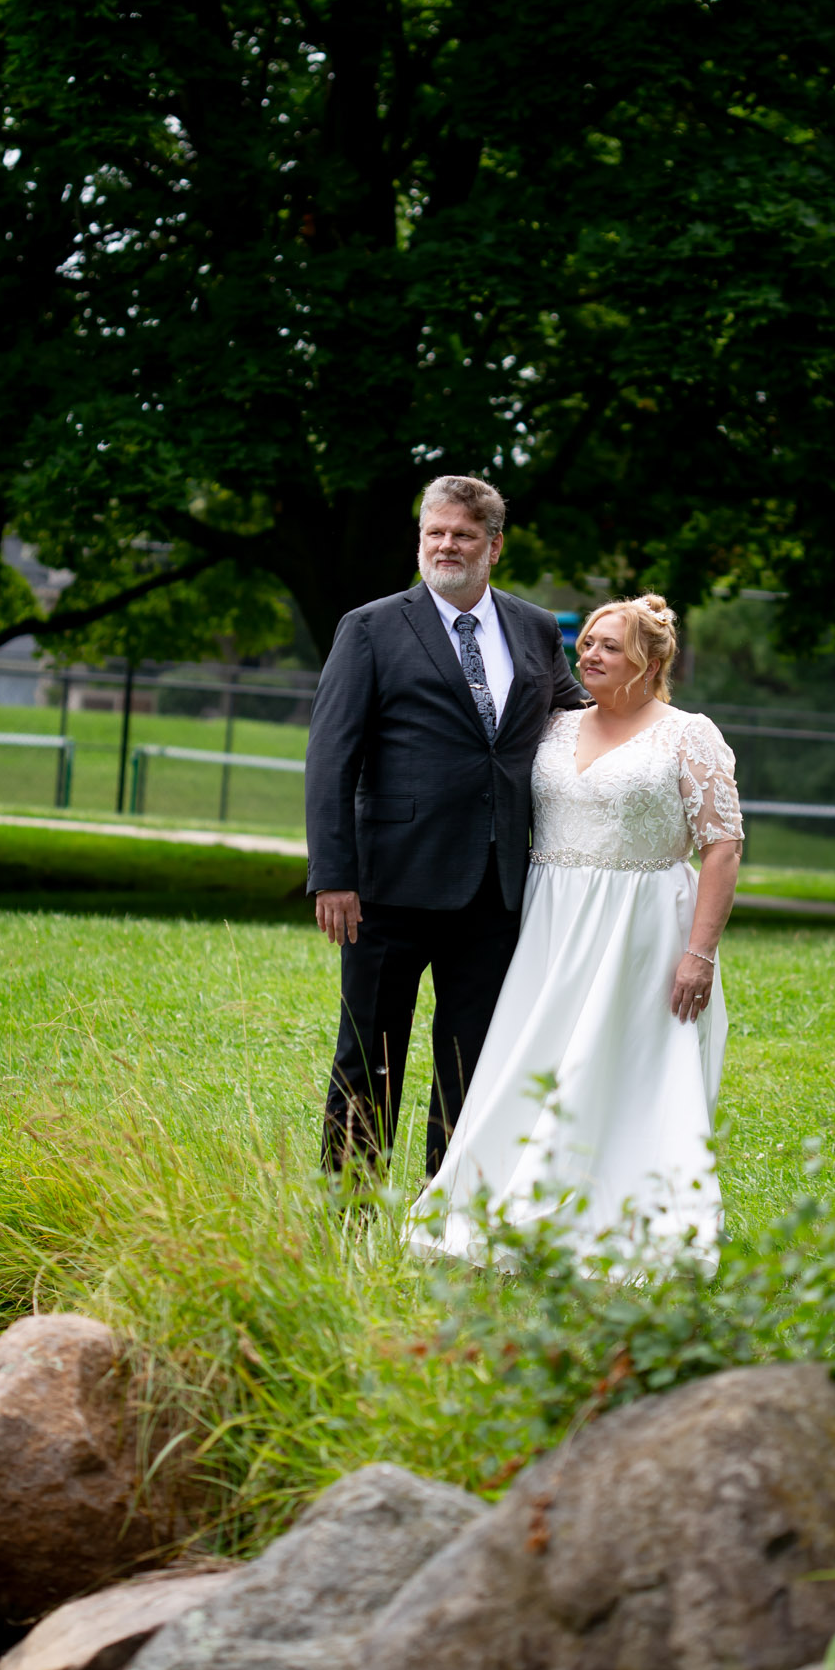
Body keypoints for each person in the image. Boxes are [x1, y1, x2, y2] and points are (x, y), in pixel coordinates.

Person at [411, 593, 743, 1258]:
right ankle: (508, 1200)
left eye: (609, 646)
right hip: (549, 923)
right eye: (586, 642)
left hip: (642, 928)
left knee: (627, 1064)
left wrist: (699, 954)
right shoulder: (554, 725)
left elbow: (723, 846)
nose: (589, 654)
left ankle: (629, 1215)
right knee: (534, 1056)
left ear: (651, 661)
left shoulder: (688, 734)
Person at [305, 474, 586, 1177]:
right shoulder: (369, 627)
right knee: (368, 1057)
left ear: (495, 544)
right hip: (387, 885)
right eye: (435, 532)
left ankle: (449, 1218)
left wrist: (665, 735)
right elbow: (330, 757)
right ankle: (350, 1213)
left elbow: (577, 718)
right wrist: (334, 875)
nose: (446, 545)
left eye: (462, 534)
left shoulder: (532, 627)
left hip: (496, 889)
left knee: (475, 1063)